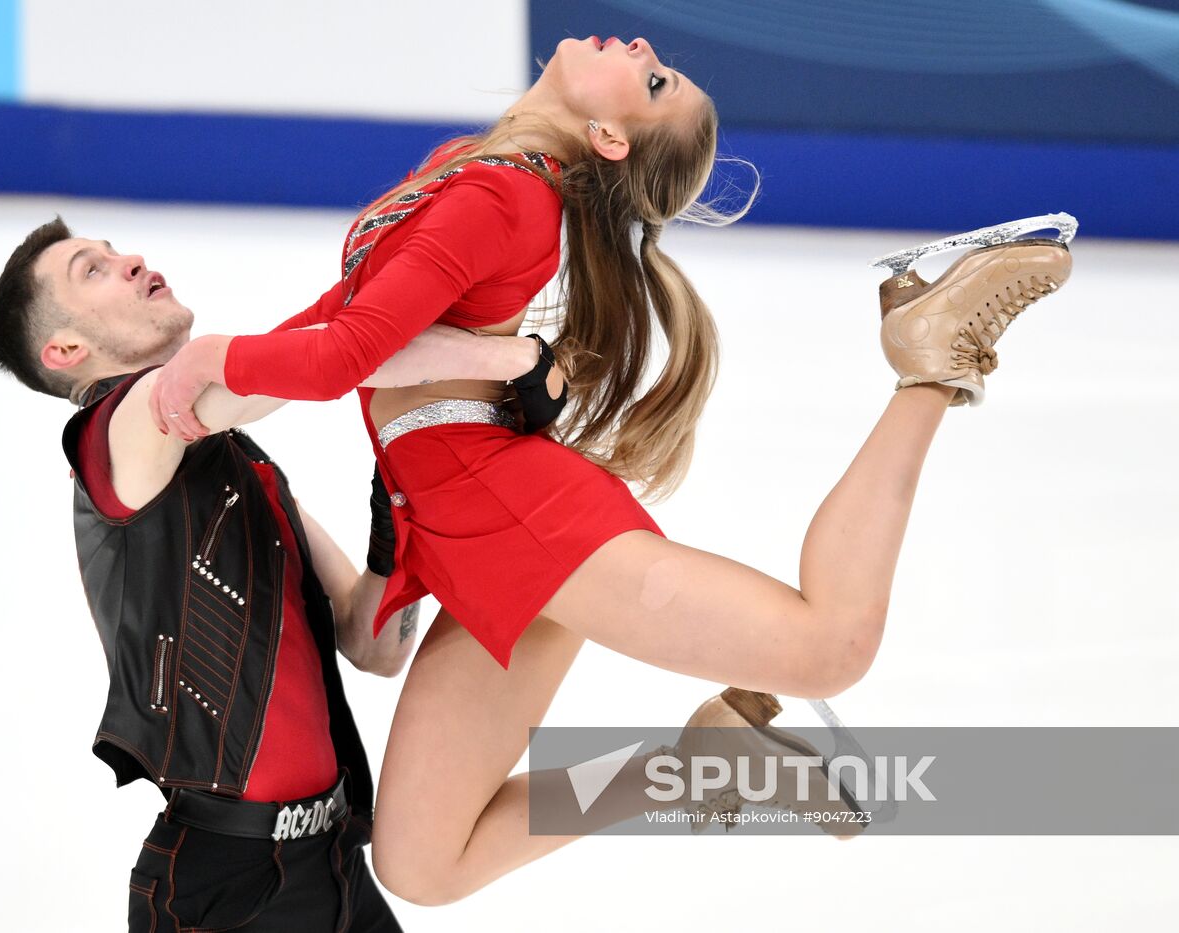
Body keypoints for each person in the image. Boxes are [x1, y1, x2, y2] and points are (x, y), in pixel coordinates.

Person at [144, 35, 1075, 906]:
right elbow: (340, 323)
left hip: (509, 511)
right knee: (421, 862)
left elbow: (345, 352)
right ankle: (709, 761)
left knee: (830, 645)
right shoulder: (468, 164)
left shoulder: (501, 199)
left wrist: (208, 365)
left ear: (607, 136)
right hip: (462, 521)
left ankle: (929, 362)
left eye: (656, 80)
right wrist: (213, 386)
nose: (640, 48)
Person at [0, 216, 570, 930]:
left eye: (115, 250)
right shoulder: (117, 432)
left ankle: (701, 769)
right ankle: (694, 776)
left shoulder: (243, 468)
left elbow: (373, 643)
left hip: (333, 862)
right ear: (67, 349)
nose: (130, 259)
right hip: (226, 890)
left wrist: (397, 508)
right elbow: (318, 362)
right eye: (93, 270)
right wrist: (506, 357)